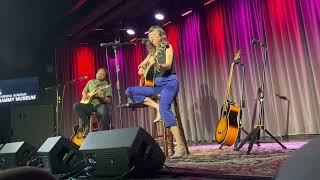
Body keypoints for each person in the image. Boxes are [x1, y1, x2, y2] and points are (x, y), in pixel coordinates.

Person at [125, 26, 187, 158]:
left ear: (161, 36)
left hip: (169, 83)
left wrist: (157, 63)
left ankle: (180, 146)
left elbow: (168, 64)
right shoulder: (151, 53)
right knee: (129, 91)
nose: (151, 37)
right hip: (156, 86)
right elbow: (140, 67)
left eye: (154, 34)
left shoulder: (167, 47)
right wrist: (142, 69)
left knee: (165, 108)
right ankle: (156, 106)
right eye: (150, 35)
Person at [73, 68, 112, 137]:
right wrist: (85, 95)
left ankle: (102, 134)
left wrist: (103, 97)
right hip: (89, 105)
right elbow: (84, 91)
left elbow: (109, 100)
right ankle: (86, 125)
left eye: (102, 74)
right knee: (76, 105)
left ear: (105, 77)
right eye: (99, 73)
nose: (99, 75)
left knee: (104, 110)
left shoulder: (106, 85)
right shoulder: (90, 82)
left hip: (100, 105)